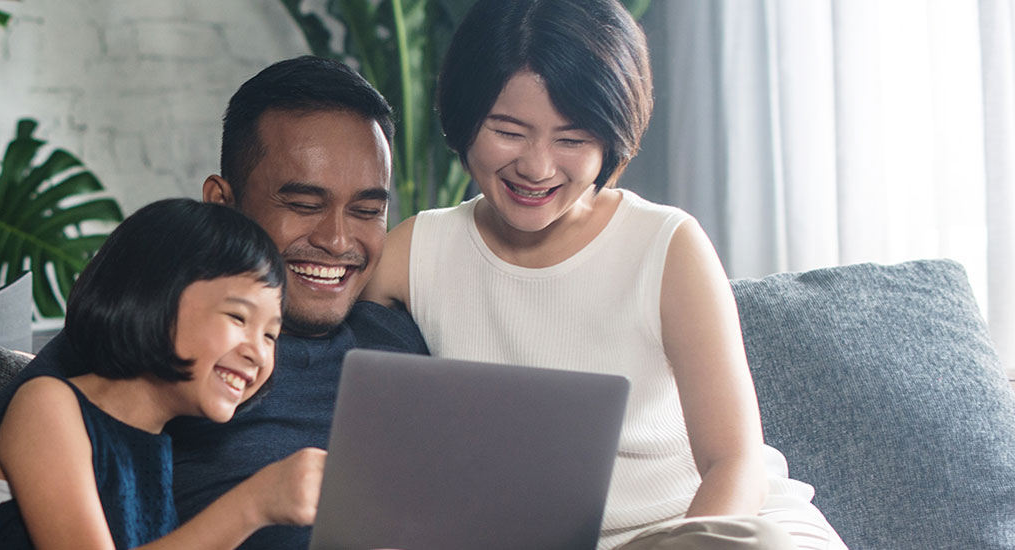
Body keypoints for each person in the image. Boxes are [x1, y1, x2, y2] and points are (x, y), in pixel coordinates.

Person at [360, 0, 847, 548]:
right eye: (509, 131)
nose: (537, 167)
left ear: (611, 136)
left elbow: (735, 464)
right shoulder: (414, 254)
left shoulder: (667, 245)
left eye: (572, 140)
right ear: (466, 117)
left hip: (715, 527)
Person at [0, 199, 327, 549]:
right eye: (238, 316)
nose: (258, 351)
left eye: (271, 335)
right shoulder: (48, 406)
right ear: (153, 296)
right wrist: (255, 504)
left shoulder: (153, 447)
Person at [177, 55, 430, 549]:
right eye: (304, 205)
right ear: (221, 206)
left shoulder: (402, 339)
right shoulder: (152, 349)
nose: (338, 241)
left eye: (366, 211)